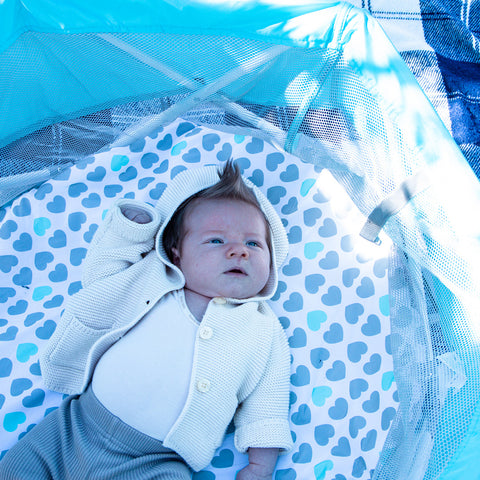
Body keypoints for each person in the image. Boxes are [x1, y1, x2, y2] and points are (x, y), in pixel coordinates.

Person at [0, 161, 293, 479]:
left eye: (253, 243)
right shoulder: (152, 277)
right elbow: (100, 277)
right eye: (216, 241)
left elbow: (267, 403)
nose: (239, 251)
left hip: (155, 462)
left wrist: (260, 466)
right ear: (176, 251)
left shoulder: (263, 331)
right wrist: (129, 232)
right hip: (72, 428)